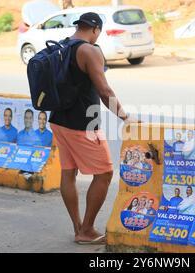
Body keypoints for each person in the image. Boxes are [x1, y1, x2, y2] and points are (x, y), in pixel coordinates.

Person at [47, 12, 138, 244]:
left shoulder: (63, 46)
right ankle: (86, 230)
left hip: (58, 120)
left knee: (68, 173)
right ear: (95, 29)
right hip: (82, 125)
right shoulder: (89, 50)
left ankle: (79, 227)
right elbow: (104, 91)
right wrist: (125, 117)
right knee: (105, 173)